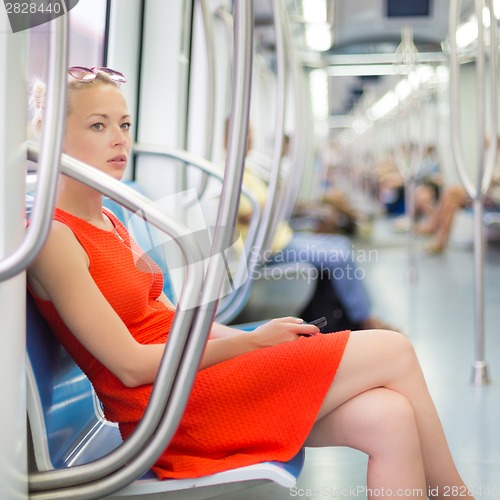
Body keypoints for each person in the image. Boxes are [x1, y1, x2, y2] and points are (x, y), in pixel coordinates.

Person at [27, 66, 474, 498]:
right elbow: (130, 365)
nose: (119, 138)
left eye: (124, 123)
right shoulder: (54, 236)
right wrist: (250, 344)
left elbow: (167, 319)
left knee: (389, 417)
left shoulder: (110, 219)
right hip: (166, 406)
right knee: (393, 349)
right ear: (54, 138)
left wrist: (253, 338)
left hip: (187, 376)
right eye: (98, 125)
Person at [236, 127, 390, 331]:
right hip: (270, 249)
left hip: (282, 237)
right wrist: (277, 196)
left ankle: (361, 312)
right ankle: (363, 319)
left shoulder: (248, 171)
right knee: (339, 256)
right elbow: (248, 213)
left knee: (342, 243)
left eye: (251, 137)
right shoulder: (232, 175)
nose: (250, 142)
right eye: (246, 137)